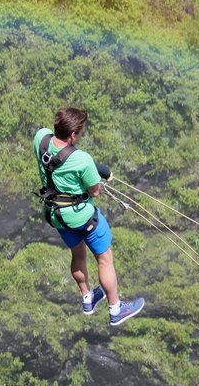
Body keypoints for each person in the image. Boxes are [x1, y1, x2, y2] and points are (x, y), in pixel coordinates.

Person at [33, 107, 144, 326]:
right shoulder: (82, 160)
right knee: (105, 259)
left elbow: (57, 148)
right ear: (73, 135)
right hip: (81, 216)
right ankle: (115, 309)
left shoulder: (41, 139)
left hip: (56, 214)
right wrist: (98, 171)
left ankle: (87, 298)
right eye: (80, 132)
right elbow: (94, 191)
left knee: (78, 254)